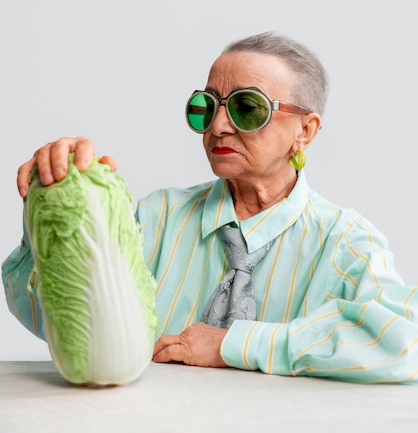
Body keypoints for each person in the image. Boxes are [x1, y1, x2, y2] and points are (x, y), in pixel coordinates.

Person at [3, 31, 418, 383]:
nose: (218, 125)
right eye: (207, 106)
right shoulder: (156, 217)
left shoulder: (344, 242)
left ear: (305, 131)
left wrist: (237, 345)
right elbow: (52, 317)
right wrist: (56, 207)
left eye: (246, 107)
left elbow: (406, 341)